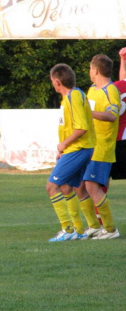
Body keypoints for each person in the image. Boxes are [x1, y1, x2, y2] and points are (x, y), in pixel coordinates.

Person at [45, 63, 94, 242]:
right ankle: (79, 230)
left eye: (52, 81)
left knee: (51, 187)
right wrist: (63, 149)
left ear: (57, 82)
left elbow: (81, 128)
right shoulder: (72, 96)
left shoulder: (73, 97)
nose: (52, 85)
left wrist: (63, 144)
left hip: (79, 149)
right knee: (66, 187)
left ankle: (67, 229)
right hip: (75, 149)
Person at [74, 54, 120, 239]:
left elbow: (112, 116)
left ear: (95, 70)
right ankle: (93, 225)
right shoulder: (92, 89)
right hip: (88, 146)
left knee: (92, 186)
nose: (89, 72)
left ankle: (110, 230)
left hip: (102, 147)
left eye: (90, 69)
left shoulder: (111, 90)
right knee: (79, 186)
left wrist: (89, 112)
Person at [110, 48, 126, 181]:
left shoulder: (115, 86)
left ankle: (99, 202)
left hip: (116, 136)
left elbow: (123, 80)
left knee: (103, 178)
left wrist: (122, 59)